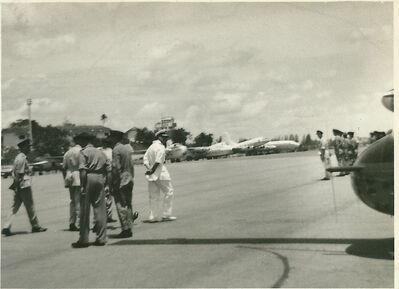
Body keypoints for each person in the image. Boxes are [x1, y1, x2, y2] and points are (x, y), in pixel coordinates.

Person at [2, 139, 47, 236]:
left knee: (14, 206)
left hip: (18, 184)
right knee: (30, 205)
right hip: (23, 185)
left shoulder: (18, 157)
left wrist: (15, 185)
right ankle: (35, 226)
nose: (29, 148)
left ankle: (6, 226)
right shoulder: (22, 158)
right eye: (27, 146)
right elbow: (20, 173)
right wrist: (17, 185)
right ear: (22, 147)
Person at [72, 133, 109, 248]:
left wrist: (83, 186)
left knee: (84, 211)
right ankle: (101, 238)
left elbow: (83, 170)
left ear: (84, 140)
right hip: (100, 178)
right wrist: (105, 182)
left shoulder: (83, 152)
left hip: (88, 178)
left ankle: (83, 239)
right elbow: (107, 168)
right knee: (100, 209)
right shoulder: (101, 152)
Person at [143, 129, 176, 223]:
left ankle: (153, 217)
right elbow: (158, 161)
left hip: (151, 176)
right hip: (161, 174)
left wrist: (149, 169)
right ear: (159, 137)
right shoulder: (161, 147)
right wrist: (152, 170)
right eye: (164, 138)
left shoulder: (151, 147)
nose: (165, 140)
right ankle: (166, 214)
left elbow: (145, 159)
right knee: (169, 192)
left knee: (153, 196)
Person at [110, 130, 137, 238]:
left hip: (121, 179)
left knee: (120, 204)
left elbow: (116, 167)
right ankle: (130, 227)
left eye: (111, 137)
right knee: (129, 204)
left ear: (115, 138)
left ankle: (125, 229)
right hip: (129, 178)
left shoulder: (116, 149)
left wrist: (113, 183)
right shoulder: (126, 148)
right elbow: (131, 165)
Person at [62, 136, 82, 231]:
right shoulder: (80, 151)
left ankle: (72, 222)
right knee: (79, 201)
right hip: (78, 175)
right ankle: (79, 223)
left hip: (69, 176)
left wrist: (65, 180)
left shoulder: (67, 153)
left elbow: (63, 167)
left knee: (73, 201)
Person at [98, 137, 117, 223]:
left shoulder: (111, 151)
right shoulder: (99, 150)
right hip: (101, 174)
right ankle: (104, 215)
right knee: (103, 195)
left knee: (108, 195)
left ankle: (108, 215)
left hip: (108, 173)